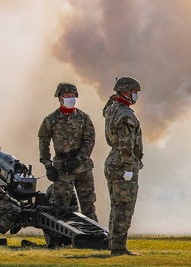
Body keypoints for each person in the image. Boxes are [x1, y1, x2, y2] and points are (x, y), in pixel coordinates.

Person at [38, 82, 98, 222]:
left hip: (83, 168)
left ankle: (96, 239)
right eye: (66, 95)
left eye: (72, 96)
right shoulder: (50, 120)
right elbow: (43, 144)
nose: (70, 98)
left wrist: (77, 160)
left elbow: (89, 142)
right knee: (59, 208)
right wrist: (48, 166)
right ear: (59, 98)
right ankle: (57, 240)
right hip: (62, 169)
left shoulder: (84, 119)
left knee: (88, 206)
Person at [103, 76, 144, 256]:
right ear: (126, 92)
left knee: (116, 205)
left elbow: (105, 109)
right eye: (134, 92)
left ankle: (114, 243)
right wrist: (128, 168)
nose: (136, 95)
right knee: (124, 207)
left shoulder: (112, 109)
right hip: (122, 163)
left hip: (113, 161)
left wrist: (113, 97)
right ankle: (118, 248)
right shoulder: (126, 115)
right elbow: (126, 144)